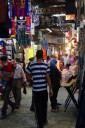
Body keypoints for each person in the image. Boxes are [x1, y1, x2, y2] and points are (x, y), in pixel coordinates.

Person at [27, 50, 53, 128]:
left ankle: (40, 124)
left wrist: (32, 79)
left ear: (36, 56)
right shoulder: (46, 65)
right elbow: (48, 78)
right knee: (44, 105)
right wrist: (50, 89)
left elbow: (28, 75)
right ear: (42, 56)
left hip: (36, 90)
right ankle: (44, 120)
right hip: (44, 90)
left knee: (38, 107)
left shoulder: (32, 65)